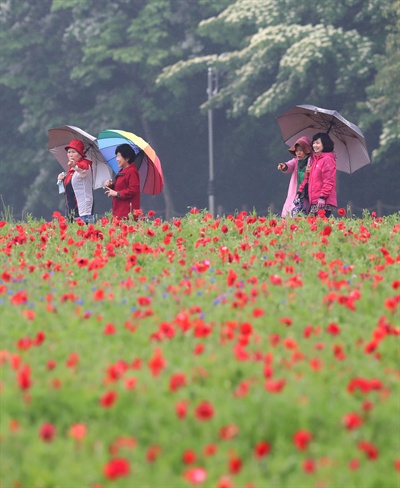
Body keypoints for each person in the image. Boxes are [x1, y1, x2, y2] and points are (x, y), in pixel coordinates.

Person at [298, 132, 337, 218]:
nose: (315, 145)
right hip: (314, 201)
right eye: (314, 143)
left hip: (323, 202)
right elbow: (309, 179)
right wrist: (300, 191)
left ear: (325, 144)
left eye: (318, 143)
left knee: (318, 227)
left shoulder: (328, 159)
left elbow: (329, 180)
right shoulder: (316, 160)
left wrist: (322, 197)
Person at [57, 139, 94, 223]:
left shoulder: (85, 164)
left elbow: (82, 169)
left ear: (80, 154)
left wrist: (75, 165)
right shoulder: (70, 169)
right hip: (70, 207)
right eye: (69, 152)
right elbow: (69, 188)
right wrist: (61, 180)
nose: (70, 154)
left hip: (82, 208)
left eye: (73, 152)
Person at [277, 136, 313, 217]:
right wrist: (284, 166)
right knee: (290, 213)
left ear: (306, 151)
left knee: (303, 215)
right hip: (295, 192)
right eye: (296, 151)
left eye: (301, 150)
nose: (298, 153)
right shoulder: (296, 161)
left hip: (306, 193)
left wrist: (312, 170)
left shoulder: (312, 162)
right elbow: (289, 165)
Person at [104, 144, 141, 219]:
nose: (117, 159)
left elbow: (133, 190)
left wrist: (116, 193)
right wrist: (111, 185)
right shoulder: (122, 171)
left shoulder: (132, 171)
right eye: (116, 156)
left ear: (127, 158)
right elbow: (121, 186)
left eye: (118, 156)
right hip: (119, 210)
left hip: (126, 213)